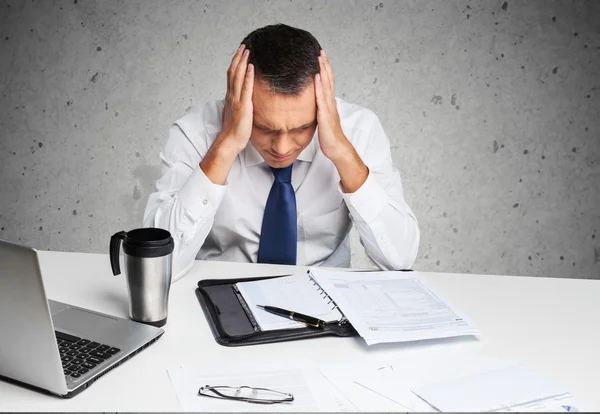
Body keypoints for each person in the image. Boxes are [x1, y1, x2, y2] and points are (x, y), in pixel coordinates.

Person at [144, 24, 420, 282]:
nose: (282, 147)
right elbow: (158, 265)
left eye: (302, 128)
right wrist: (226, 144)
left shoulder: (359, 130)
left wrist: (342, 152)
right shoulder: (196, 134)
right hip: (221, 292)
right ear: (237, 98)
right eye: (264, 127)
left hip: (324, 301)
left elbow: (400, 259)